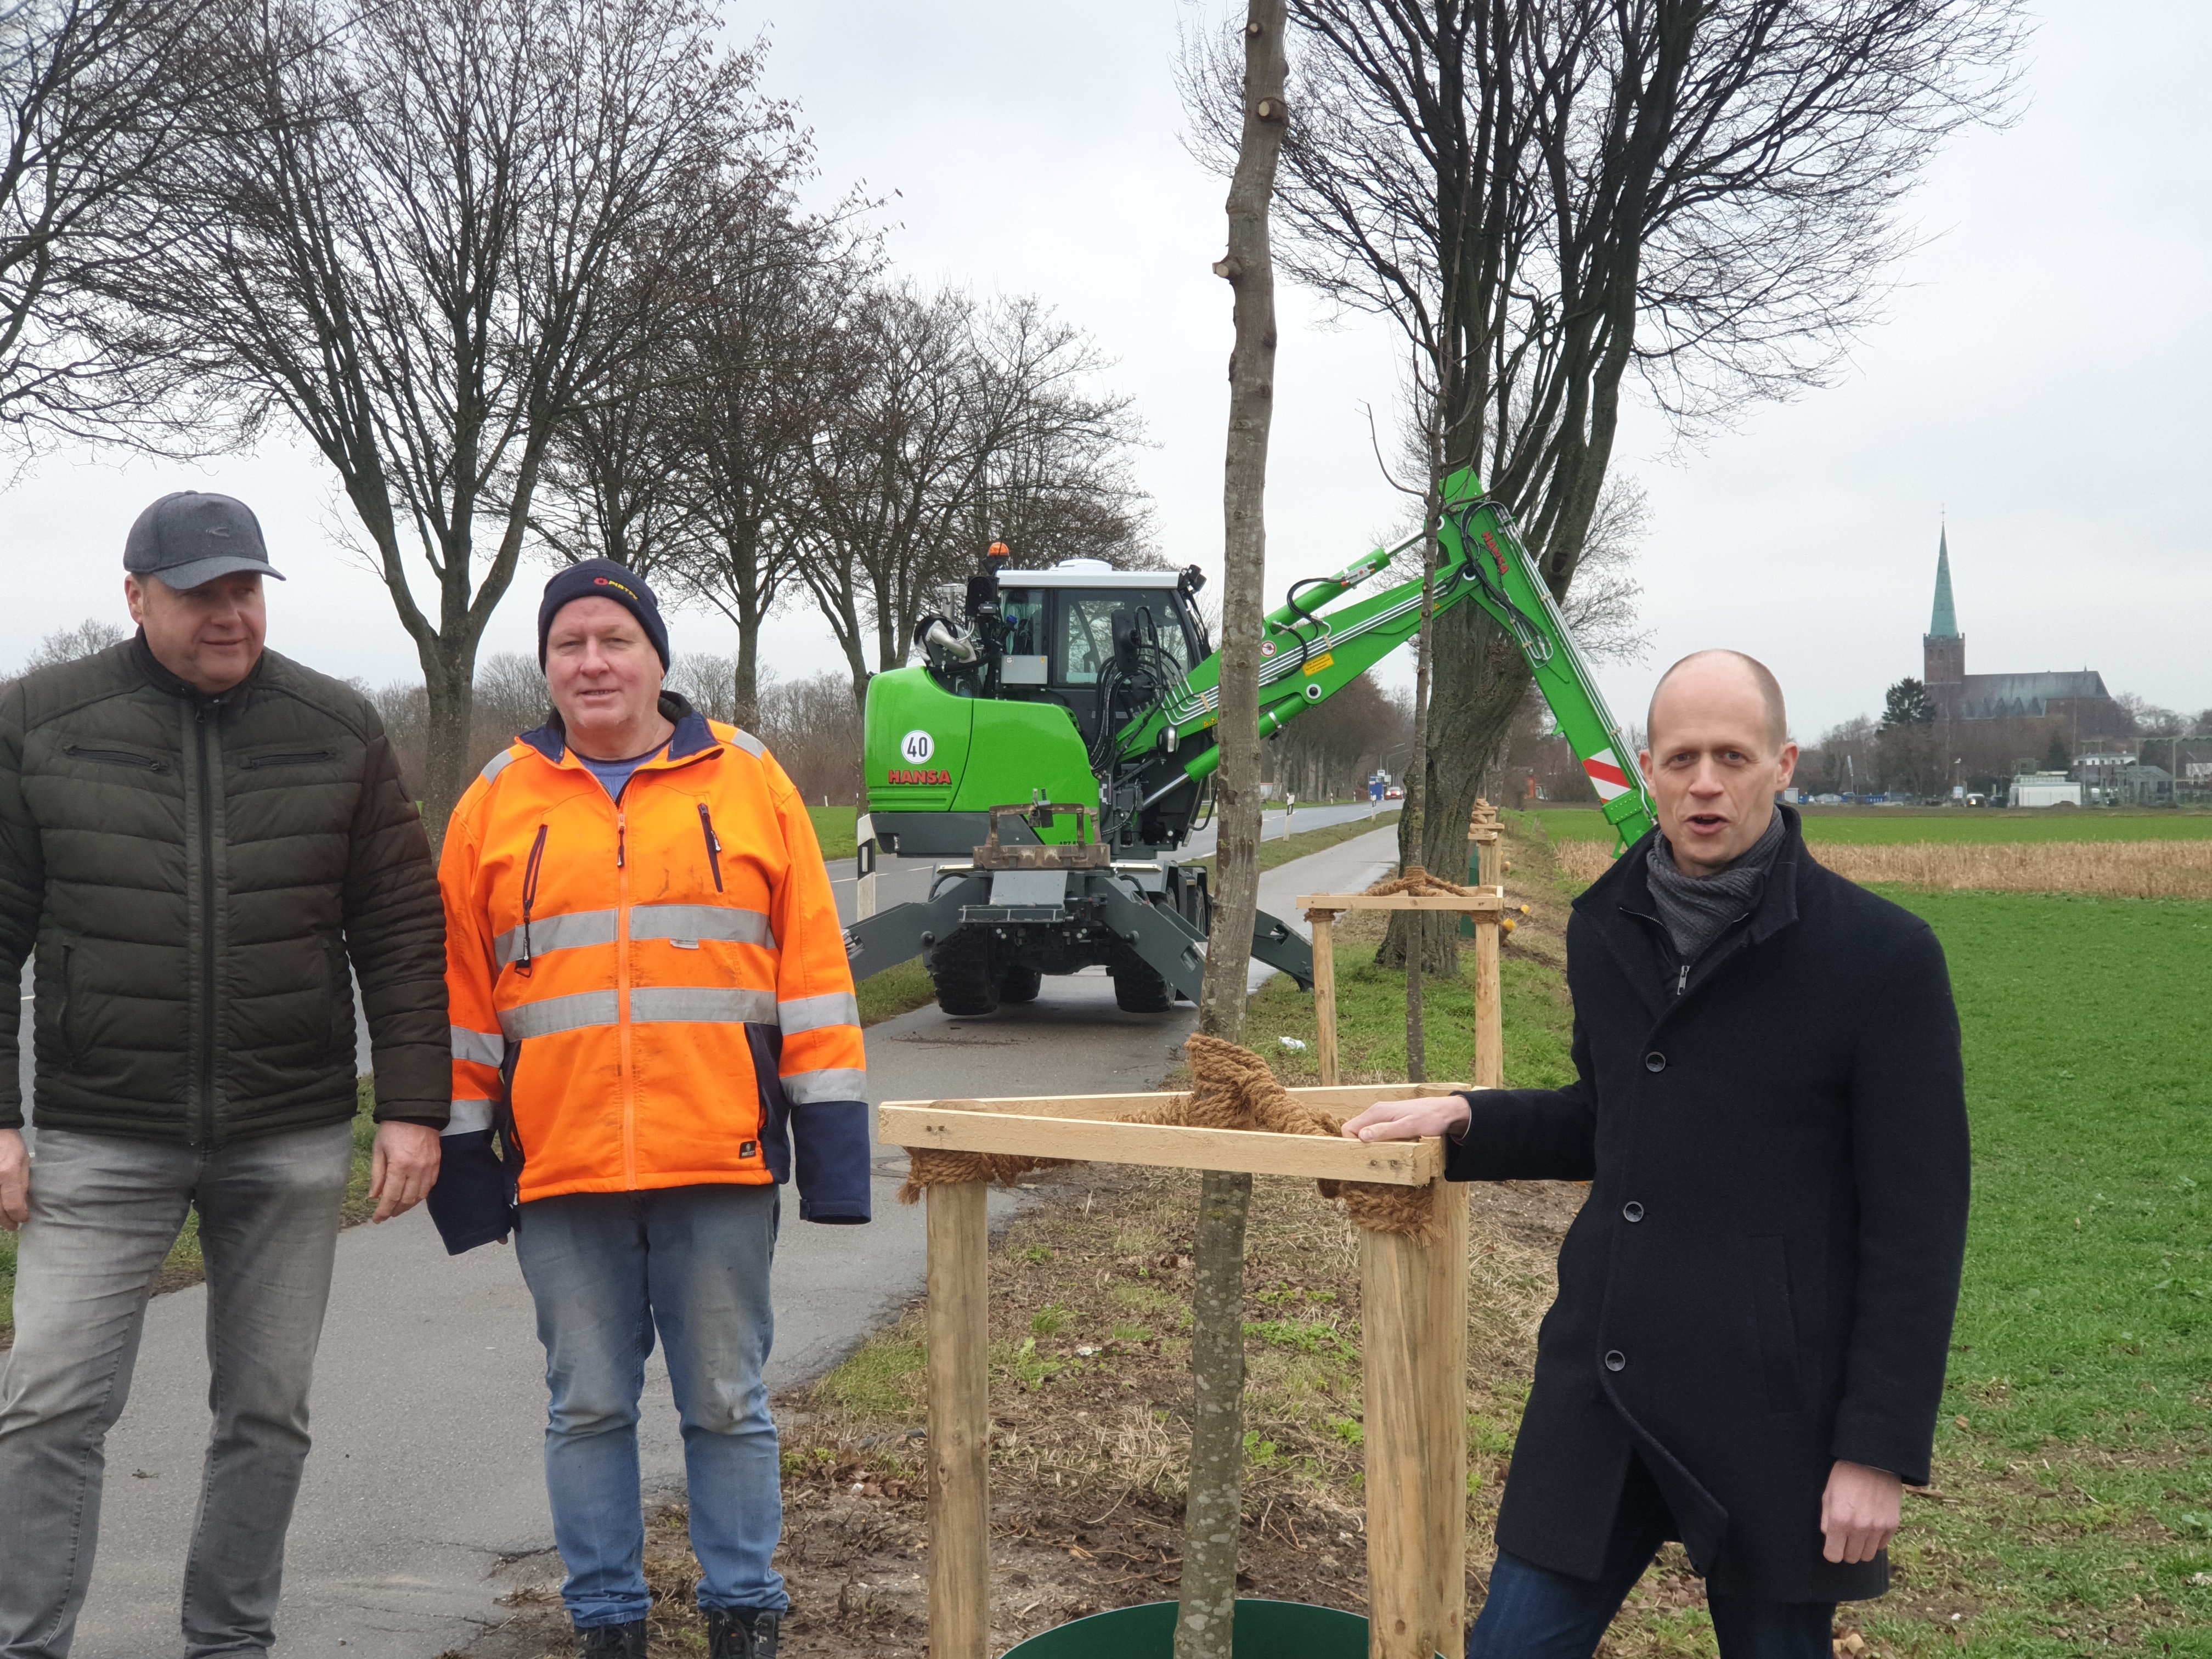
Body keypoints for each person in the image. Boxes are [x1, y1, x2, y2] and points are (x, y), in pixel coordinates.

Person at [1344, 650, 1970, 1659]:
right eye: (1682, 758)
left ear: (1785, 764)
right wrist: (1472, 1119)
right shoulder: (1605, 928)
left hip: (1776, 1414)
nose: (1707, 783)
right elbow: (1617, 1116)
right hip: (1606, 1386)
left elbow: (1919, 1224)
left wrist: (1878, 1450)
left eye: (1734, 755)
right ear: (1646, 769)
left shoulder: (1883, 960)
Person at [0, 492, 450, 1659]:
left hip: (289, 1134)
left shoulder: (338, 725)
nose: (228, 613)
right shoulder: (36, 724)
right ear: (134, 595)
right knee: (49, 1406)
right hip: (101, 1134)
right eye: (200, 593)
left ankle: (230, 1642)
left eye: (244, 589)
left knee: (266, 1414)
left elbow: (399, 926)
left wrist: (410, 1103)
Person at [433, 560, 871, 1659]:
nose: (592, 662)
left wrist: (834, 1152)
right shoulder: (493, 802)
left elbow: (816, 976)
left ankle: (743, 1617)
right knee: (586, 1405)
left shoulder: (752, 780)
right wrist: (464, 1160)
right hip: (564, 1165)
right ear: (545, 666)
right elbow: (461, 1001)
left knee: (727, 1400)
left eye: (614, 640)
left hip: (716, 1158)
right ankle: (609, 1624)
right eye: (569, 643)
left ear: (658, 658)